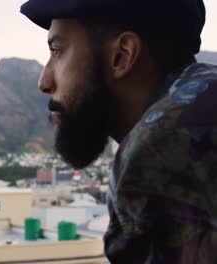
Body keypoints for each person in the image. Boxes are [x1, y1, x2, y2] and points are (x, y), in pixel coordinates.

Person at [21, 0, 217, 263]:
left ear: (122, 55)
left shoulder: (158, 150)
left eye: (57, 50)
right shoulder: (203, 94)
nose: (44, 82)